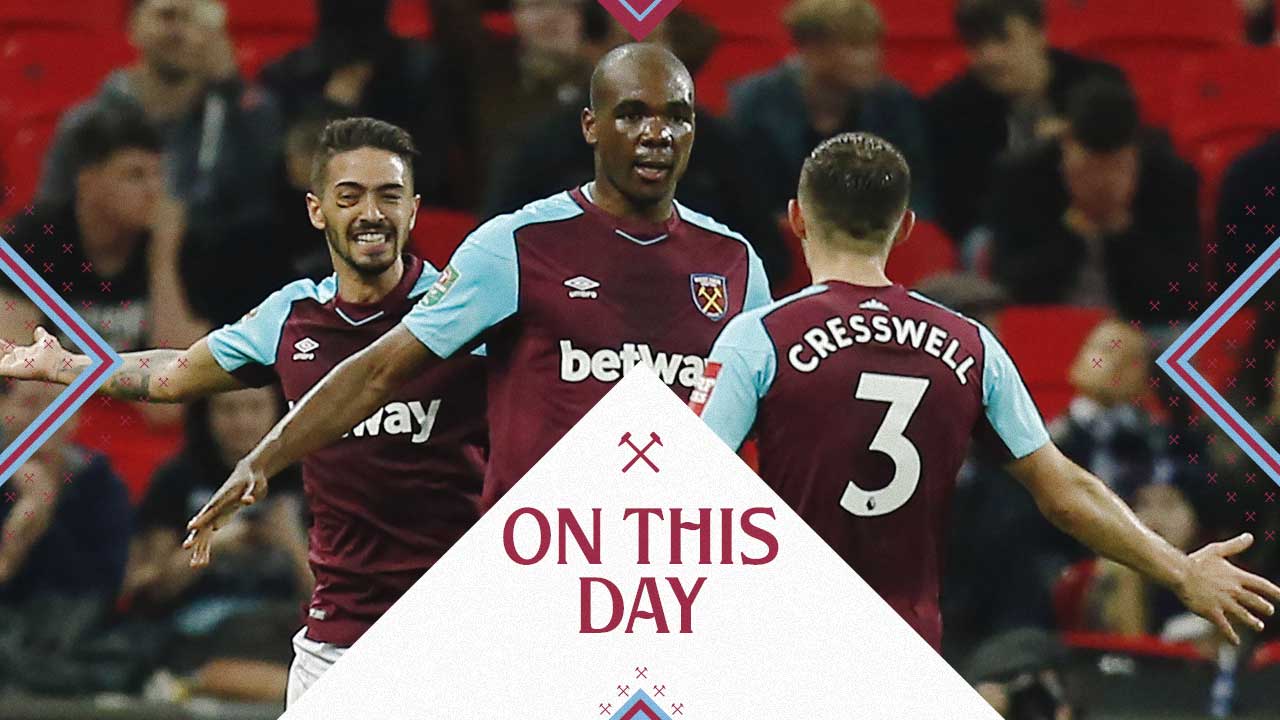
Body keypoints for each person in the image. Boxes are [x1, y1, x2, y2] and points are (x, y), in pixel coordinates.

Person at [690, 131, 1280, 651]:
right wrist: (1180, 571)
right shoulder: (971, 344)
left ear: (796, 218)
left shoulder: (758, 337)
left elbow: (683, 489)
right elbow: (1065, 492)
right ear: (905, 227)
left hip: (787, 644)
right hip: (907, 654)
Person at [183, 44, 773, 542]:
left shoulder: (736, 264)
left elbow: (766, 430)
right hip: (538, 564)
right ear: (591, 125)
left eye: (677, 116)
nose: (656, 134)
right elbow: (379, 371)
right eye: (632, 114)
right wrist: (265, 460)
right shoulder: (513, 246)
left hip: (669, 568)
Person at [0, 117, 487, 706]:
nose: (371, 213)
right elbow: (172, 374)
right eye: (349, 196)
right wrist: (64, 368)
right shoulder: (292, 315)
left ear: (413, 210)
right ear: (316, 210)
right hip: (334, 632)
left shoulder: (469, 317)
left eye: (389, 195)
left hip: (449, 626)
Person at [38, 0, 281, 230]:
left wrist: (230, 87)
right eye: (167, 16)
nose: (181, 32)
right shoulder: (86, 125)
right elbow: (50, 222)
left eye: (193, 19)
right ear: (133, 25)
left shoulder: (246, 116)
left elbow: (265, 209)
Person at [983, 78, 1199, 323]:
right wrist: (1071, 235)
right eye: (1088, 168)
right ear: (1066, 145)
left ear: (1136, 153)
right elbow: (1011, 290)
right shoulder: (1022, 177)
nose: (1101, 182)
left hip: (1143, 328)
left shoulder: (1171, 179)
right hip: (1051, 325)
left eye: (1115, 167)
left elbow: (1182, 297)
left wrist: (1122, 234)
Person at [4, 103, 208, 355]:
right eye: (135, 175)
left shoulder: (179, 241)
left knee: (247, 395)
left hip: (145, 391)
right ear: (88, 182)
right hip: (57, 390)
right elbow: (15, 361)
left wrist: (163, 257)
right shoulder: (32, 241)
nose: (154, 190)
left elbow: (184, 364)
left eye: (159, 175)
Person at [927, 0, 1127, 243]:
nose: (989, 57)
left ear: (1039, 33)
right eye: (975, 44)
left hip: (1092, 221)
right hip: (1003, 235)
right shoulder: (950, 109)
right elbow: (958, 209)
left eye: (1003, 39)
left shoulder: (1098, 86)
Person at [729, 0, 934, 219]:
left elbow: (914, 193)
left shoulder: (894, 104)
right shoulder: (756, 101)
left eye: (875, 44)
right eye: (857, 46)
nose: (873, 57)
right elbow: (746, 200)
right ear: (812, 49)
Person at [259, 0, 454, 207]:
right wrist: (332, 107)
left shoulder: (421, 72)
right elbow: (291, 175)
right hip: (300, 217)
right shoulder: (285, 77)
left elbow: (429, 176)